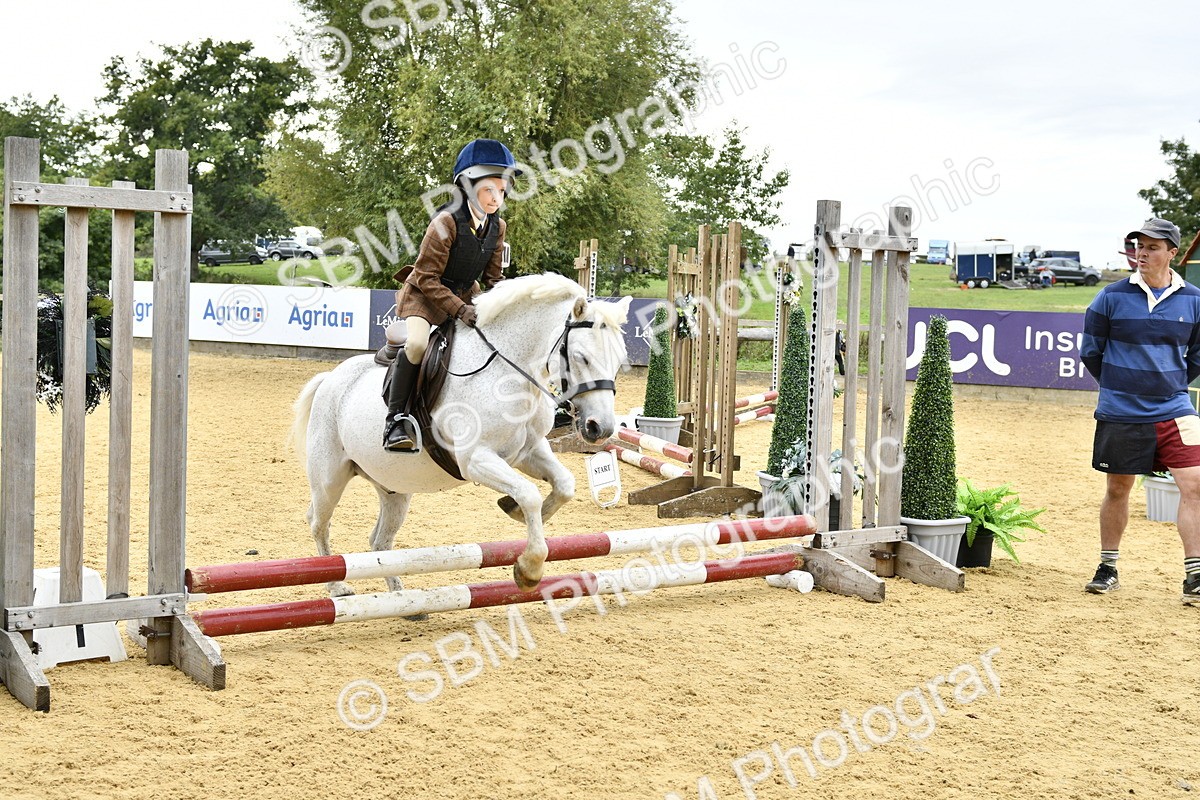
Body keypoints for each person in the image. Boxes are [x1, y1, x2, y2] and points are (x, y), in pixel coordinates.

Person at [1080, 217, 1200, 605]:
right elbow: (1091, 351)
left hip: (1176, 408)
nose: (1142, 253)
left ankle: (1195, 576)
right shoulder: (1110, 297)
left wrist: (1170, 385)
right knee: (1118, 488)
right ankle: (1108, 568)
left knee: (1195, 484)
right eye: (1138, 246)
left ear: (1172, 253)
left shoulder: (1194, 300)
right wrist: (1121, 387)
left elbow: (1198, 354)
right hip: (1121, 410)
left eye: (1151, 247)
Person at [382, 138, 518, 452]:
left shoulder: (498, 227)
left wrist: (509, 303)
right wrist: (460, 310)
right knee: (417, 345)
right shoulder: (444, 223)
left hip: (465, 294)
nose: (496, 197)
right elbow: (426, 277)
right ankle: (395, 421)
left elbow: (493, 278)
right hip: (424, 295)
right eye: (489, 189)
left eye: (502, 189)